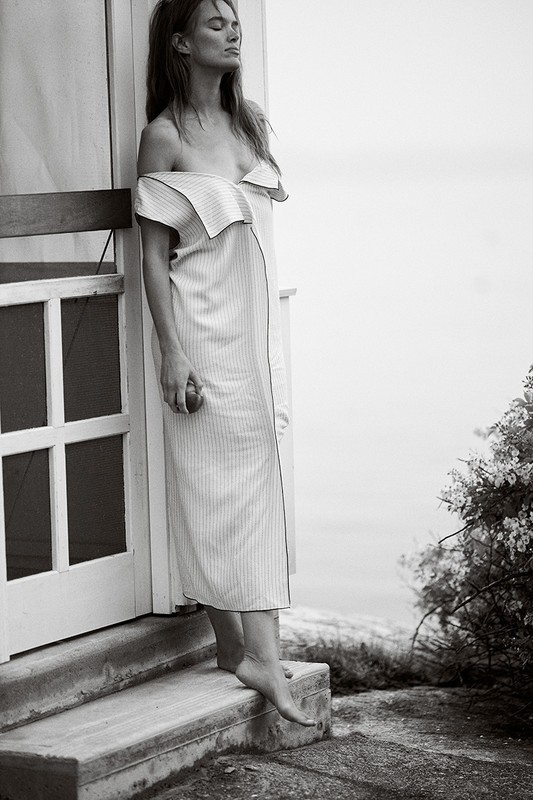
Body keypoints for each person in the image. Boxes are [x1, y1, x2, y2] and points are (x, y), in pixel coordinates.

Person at [135, 0, 315, 728]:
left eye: (236, 21)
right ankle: (259, 657)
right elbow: (153, 257)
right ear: (181, 42)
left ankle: (237, 649)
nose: (234, 31)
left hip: (256, 335)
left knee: (248, 485)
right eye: (216, 24)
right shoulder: (164, 136)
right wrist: (171, 351)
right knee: (217, 490)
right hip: (201, 330)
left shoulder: (249, 124)